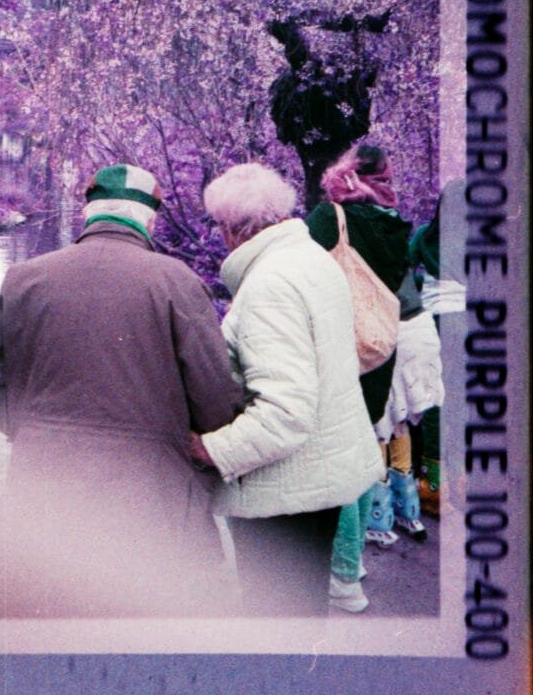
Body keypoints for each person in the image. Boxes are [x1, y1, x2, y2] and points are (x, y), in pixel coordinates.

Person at [0, 163, 242, 617]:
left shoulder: (25, 277)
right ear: (149, 220)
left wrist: (24, 426)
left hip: (43, 478)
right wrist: (207, 445)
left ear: (88, 214)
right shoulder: (177, 281)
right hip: (148, 488)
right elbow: (213, 393)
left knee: (50, 605)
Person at [189, 162, 383, 616]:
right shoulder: (311, 260)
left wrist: (210, 450)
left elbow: (284, 414)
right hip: (319, 479)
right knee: (303, 612)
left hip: (285, 495)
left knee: (277, 618)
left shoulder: (269, 286)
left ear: (232, 228)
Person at [306, 142, 418, 611]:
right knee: (356, 449)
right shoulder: (394, 226)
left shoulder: (331, 218)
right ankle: (351, 565)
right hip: (376, 353)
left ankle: (345, 573)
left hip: (336, 352)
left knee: (332, 462)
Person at [409, 178, 467, 515]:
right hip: (466, 325)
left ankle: (433, 488)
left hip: (432, 325)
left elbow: (405, 270)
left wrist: (424, 284)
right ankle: (461, 482)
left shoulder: (424, 236)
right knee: (461, 406)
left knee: (434, 404)